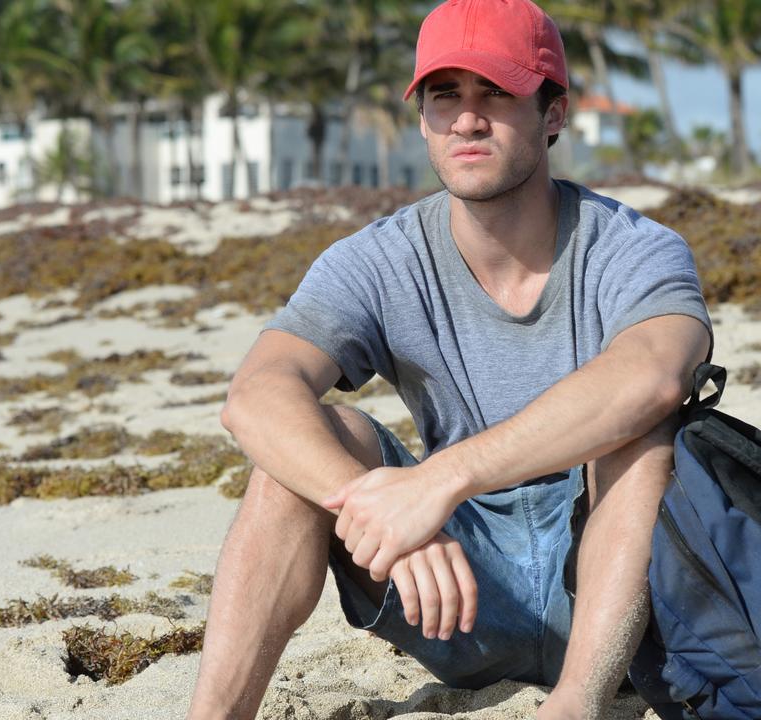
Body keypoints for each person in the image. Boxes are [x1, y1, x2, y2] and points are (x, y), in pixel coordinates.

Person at [185, 0, 713, 718]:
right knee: (306, 451)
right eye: (445, 96)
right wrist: (377, 508)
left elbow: (652, 374)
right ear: (425, 120)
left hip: (617, 596)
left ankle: (575, 704)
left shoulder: (633, 247)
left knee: (644, 434)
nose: (467, 119)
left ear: (553, 113)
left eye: (495, 92)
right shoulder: (378, 258)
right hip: (455, 594)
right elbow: (254, 396)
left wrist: (439, 481)